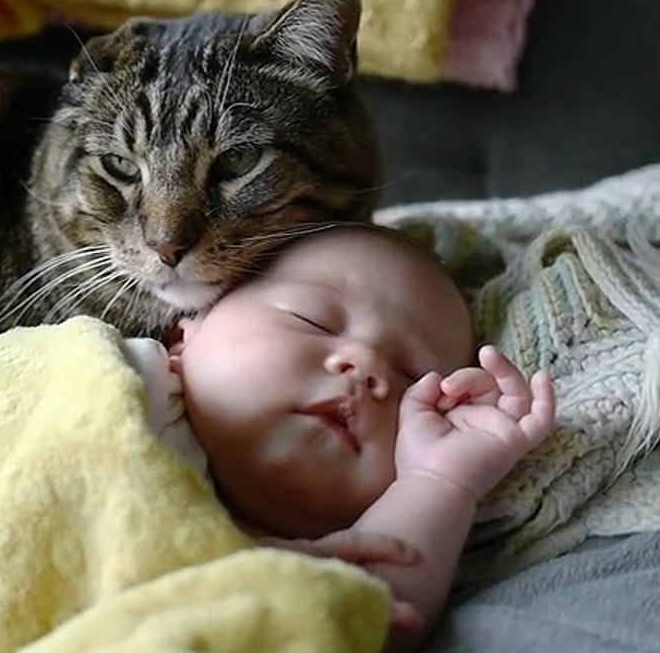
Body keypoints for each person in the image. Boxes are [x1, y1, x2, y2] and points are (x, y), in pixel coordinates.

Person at [122, 224, 556, 650]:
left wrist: (439, 481)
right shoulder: (124, 385)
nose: (366, 365)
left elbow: (366, 620)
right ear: (185, 334)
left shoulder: (316, 566)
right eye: (313, 319)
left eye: (410, 377)